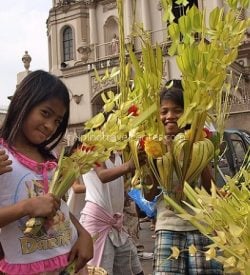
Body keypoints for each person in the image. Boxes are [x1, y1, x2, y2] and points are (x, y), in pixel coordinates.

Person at [0, 70, 93, 275]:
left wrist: (83, 234)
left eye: (58, 121)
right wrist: (26, 207)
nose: (50, 126)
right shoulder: (3, 156)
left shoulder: (50, 157)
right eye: (45, 113)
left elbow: (57, 206)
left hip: (69, 262)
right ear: (24, 103)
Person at [144, 80, 223, 274]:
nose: (170, 116)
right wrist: (150, 161)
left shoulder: (200, 143)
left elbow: (210, 190)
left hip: (201, 225)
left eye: (177, 110)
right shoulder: (153, 146)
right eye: (164, 111)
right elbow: (148, 195)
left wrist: (197, 157)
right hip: (168, 224)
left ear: (187, 114)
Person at [79, 151, 144, 275]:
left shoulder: (117, 155)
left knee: (135, 270)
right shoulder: (91, 147)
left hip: (116, 225)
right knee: (101, 272)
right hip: (97, 225)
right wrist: (129, 165)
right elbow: (103, 175)